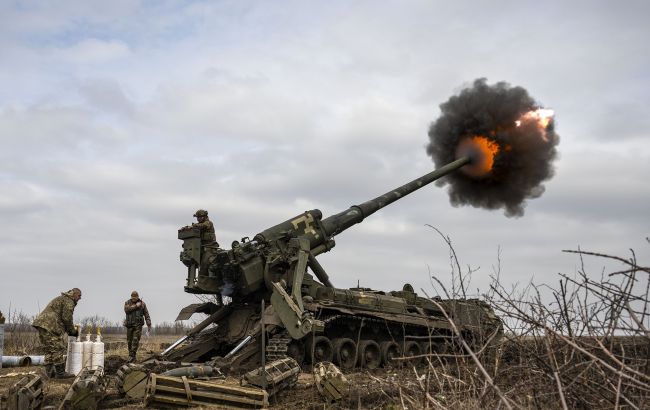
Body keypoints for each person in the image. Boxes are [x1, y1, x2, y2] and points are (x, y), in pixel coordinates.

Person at [32, 288, 81, 378]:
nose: (80, 298)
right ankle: (60, 373)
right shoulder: (69, 301)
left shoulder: (63, 298)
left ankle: (50, 373)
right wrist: (72, 331)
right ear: (74, 294)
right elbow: (67, 318)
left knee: (49, 349)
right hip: (50, 325)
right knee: (57, 347)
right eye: (79, 295)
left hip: (43, 324)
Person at [123, 291, 152, 362]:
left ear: (138, 297)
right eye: (133, 297)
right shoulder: (127, 303)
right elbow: (127, 310)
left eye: (135, 297)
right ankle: (133, 357)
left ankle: (131, 356)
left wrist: (149, 324)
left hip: (138, 326)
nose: (134, 298)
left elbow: (146, 314)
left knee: (135, 340)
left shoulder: (143, 304)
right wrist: (136, 306)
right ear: (131, 297)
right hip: (129, 326)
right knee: (129, 341)